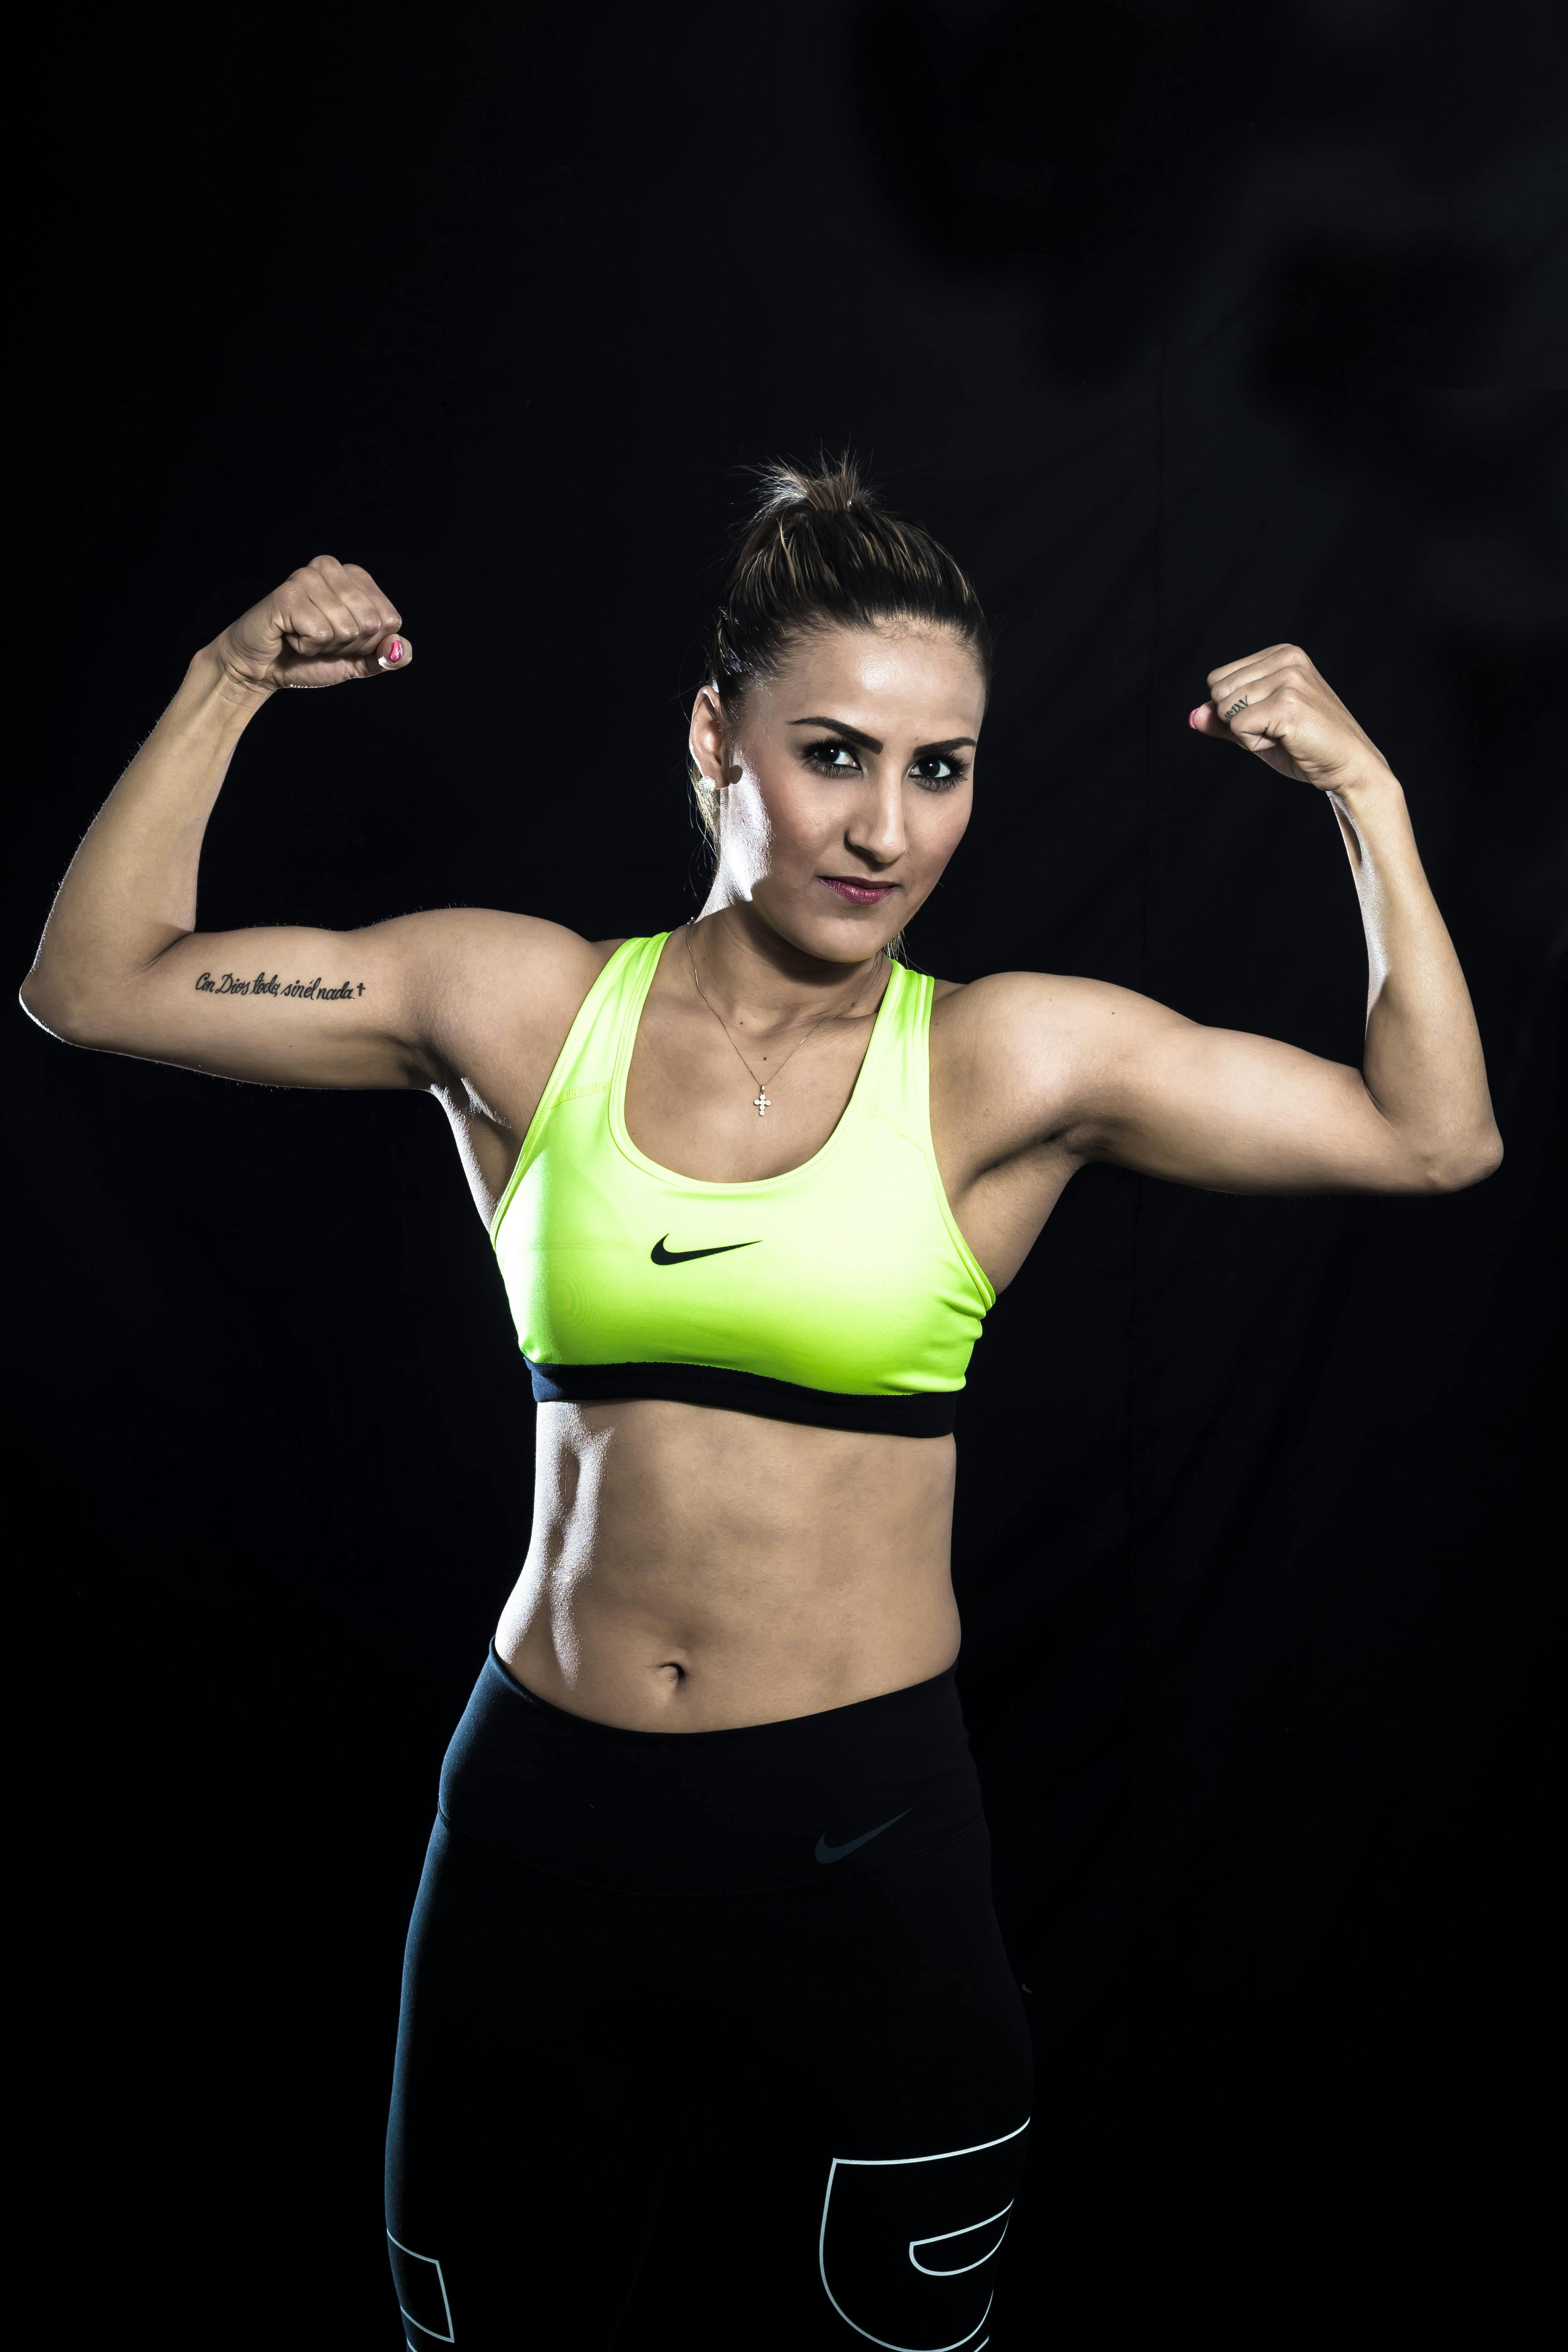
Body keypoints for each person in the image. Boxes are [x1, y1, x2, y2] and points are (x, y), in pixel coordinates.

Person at [20, 458, 1501, 2349]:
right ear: (717, 739)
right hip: (538, 1827)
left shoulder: (1006, 1059)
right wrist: (227, 675)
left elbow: (1433, 1138)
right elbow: (97, 986)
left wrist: (1366, 796)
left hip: (856, 1842)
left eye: (940, 768)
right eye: (835, 755)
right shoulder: (523, 1009)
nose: (887, 828)